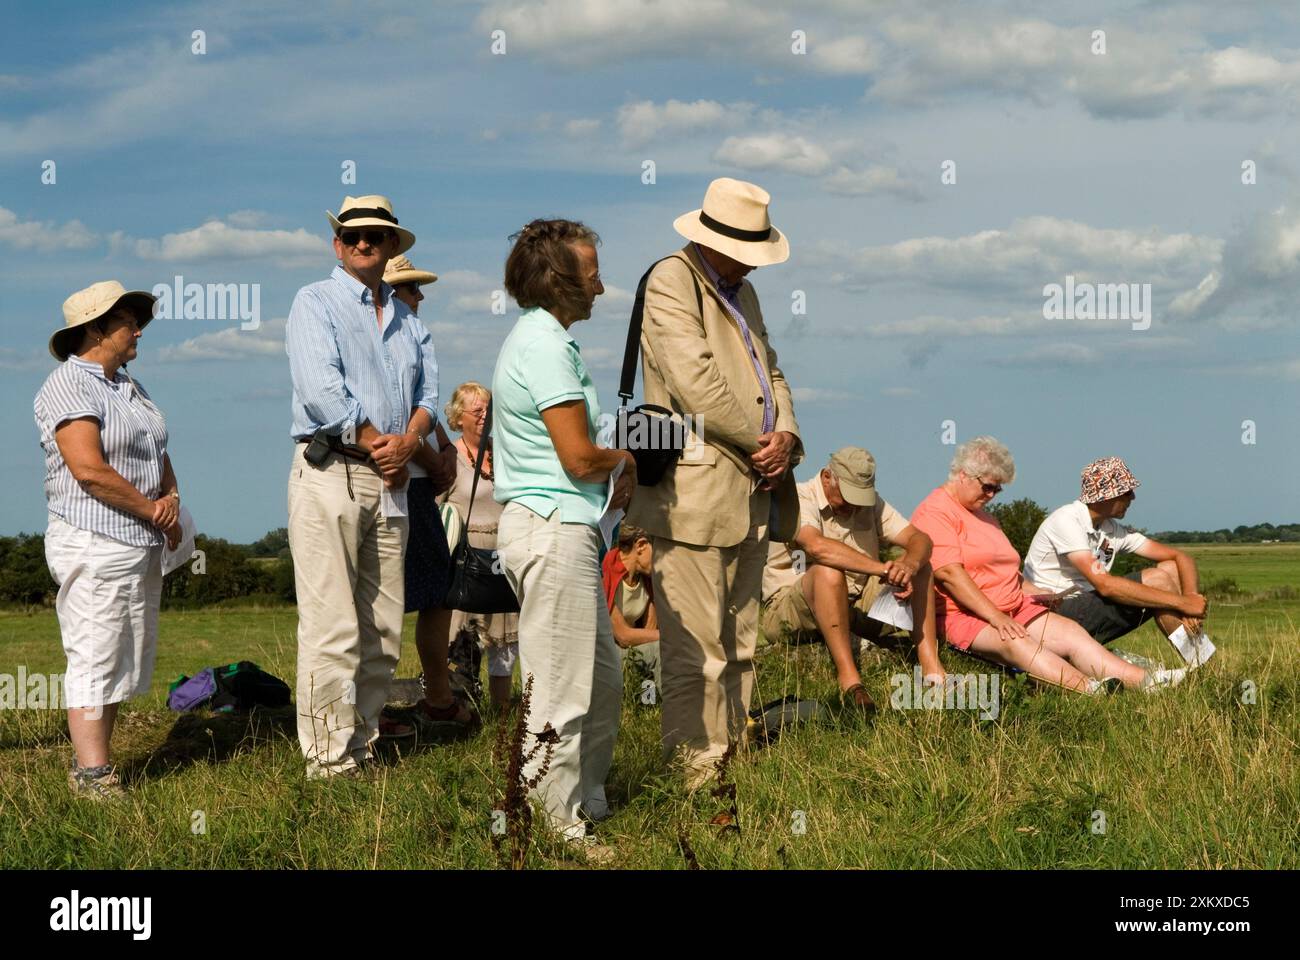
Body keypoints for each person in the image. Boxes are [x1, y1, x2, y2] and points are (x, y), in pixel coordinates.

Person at [626, 177, 803, 788]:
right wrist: (763, 443)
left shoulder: (743, 291)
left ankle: (732, 751)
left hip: (752, 489)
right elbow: (694, 381)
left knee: (742, 641)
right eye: (747, 248)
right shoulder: (671, 281)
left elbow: (771, 370)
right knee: (695, 649)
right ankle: (697, 774)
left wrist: (789, 437)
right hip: (693, 493)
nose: (754, 261)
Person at [286, 194, 440, 779]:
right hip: (333, 470)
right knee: (332, 625)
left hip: (391, 479)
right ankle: (327, 758)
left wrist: (408, 443)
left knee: (381, 624)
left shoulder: (410, 323)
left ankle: (362, 742)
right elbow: (322, 389)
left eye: (375, 236)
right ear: (338, 245)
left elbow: (427, 400)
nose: (363, 244)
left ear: (391, 245)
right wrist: (384, 443)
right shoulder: (315, 301)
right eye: (352, 237)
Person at [491, 218, 635, 843]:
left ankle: (586, 798)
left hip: (565, 527)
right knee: (562, 684)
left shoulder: (548, 339)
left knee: (601, 677)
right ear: (559, 278)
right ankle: (552, 825)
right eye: (592, 272)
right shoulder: (545, 346)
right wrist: (627, 461)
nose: (601, 285)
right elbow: (578, 457)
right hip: (551, 527)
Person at [36, 281, 183, 799]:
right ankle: (91, 773)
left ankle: (99, 762)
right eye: (127, 320)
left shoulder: (128, 385)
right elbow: (89, 470)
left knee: (124, 655)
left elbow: (154, 449)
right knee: (96, 652)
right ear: (95, 329)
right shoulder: (68, 384)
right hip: (95, 539)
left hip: (137, 537)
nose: (138, 329)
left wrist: (170, 496)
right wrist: (153, 511)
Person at [909, 437, 1184, 693]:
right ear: (963, 475)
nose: (992, 494)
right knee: (1016, 643)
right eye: (988, 486)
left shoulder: (984, 516)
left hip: (1015, 605)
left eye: (998, 488)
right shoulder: (936, 512)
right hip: (965, 614)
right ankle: (1089, 690)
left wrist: (1039, 593)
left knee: (1073, 634)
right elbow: (950, 575)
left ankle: (1147, 682)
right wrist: (995, 616)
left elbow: (1006, 573)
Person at [762, 447, 943, 709]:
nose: (854, 504)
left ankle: (932, 669)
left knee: (922, 568)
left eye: (860, 497)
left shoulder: (871, 503)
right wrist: (883, 570)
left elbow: (920, 539)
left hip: (854, 601)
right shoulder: (800, 496)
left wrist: (908, 566)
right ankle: (851, 683)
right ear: (827, 477)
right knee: (827, 571)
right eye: (848, 496)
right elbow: (816, 547)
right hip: (790, 609)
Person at [382, 254, 477, 730]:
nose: (419, 297)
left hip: (418, 487)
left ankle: (434, 697)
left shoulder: (409, 337)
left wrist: (439, 452)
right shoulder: (384, 341)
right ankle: (390, 706)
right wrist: (435, 461)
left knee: (434, 594)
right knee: (390, 599)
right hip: (401, 485)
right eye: (411, 289)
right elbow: (392, 422)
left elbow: (424, 414)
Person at [1023, 457, 1209, 649]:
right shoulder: (1066, 520)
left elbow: (1179, 557)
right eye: (1127, 492)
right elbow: (1105, 586)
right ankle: (1201, 660)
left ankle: (1198, 658)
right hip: (1051, 612)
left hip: (1083, 605)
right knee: (1158, 579)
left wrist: (1191, 598)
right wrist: (1182, 603)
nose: (1133, 498)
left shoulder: (1111, 529)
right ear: (1107, 495)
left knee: (1170, 568)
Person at [436, 381, 520, 713]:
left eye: (489, 409)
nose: (485, 415)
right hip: (467, 560)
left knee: (505, 639)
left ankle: (501, 712)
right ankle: (457, 708)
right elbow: (437, 511)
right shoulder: (450, 458)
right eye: (477, 410)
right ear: (459, 418)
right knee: (461, 638)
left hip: (504, 556)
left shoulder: (504, 453)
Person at [602, 522, 660, 694]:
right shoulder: (607, 567)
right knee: (661, 649)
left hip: (630, 655)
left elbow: (649, 632)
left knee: (656, 648)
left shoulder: (648, 579)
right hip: (606, 657)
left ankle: (646, 703)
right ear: (641, 546)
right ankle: (678, 714)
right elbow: (623, 636)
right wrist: (672, 637)